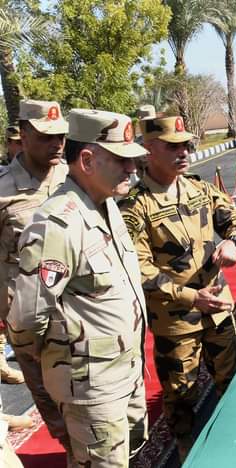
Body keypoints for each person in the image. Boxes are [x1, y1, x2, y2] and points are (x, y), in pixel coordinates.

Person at [8, 108, 149, 467]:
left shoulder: (105, 204)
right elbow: (26, 321)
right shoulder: (57, 224)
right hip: (92, 387)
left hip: (126, 371)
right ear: (87, 160)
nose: (132, 169)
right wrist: (61, 363)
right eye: (121, 160)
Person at [118, 115, 236, 461]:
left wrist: (233, 242)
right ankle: (187, 452)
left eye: (186, 145)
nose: (184, 152)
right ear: (149, 150)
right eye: (173, 146)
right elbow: (139, 269)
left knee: (233, 378)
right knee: (181, 395)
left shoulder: (198, 188)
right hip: (176, 320)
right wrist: (192, 297)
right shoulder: (136, 206)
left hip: (218, 308)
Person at [1, 101, 70, 441]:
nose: (56, 144)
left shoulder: (76, 178)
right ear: (24, 135)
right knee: (59, 418)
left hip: (82, 317)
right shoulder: (3, 191)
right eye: (46, 137)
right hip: (32, 328)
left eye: (61, 136)